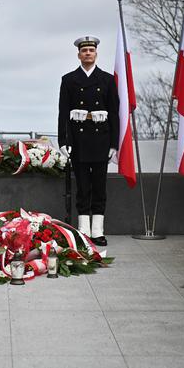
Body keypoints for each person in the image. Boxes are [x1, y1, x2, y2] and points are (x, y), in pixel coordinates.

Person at [57, 35, 119, 246]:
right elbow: (63, 113)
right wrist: (63, 140)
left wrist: (114, 144)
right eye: (84, 51)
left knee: (99, 188)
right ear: (79, 54)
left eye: (91, 50)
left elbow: (114, 113)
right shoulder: (69, 80)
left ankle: (98, 230)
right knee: (83, 187)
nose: (88, 54)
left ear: (96, 53)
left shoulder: (107, 80)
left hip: (101, 139)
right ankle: (83, 230)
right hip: (79, 140)